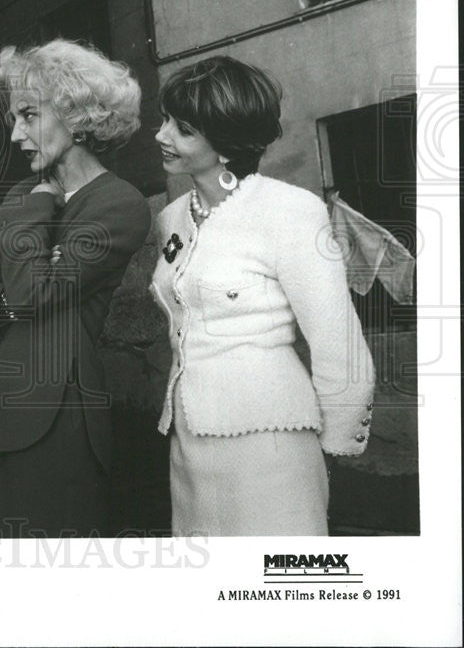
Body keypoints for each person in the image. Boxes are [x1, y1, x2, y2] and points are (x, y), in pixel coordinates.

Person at [150, 55, 375, 536]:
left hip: (270, 441)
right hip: (189, 440)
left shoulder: (289, 211)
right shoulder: (171, 219)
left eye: (182, 128)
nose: (162, 135)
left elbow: (338, 340)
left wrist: (333, 446)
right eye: (165, 120)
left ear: (226, 144)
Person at [0, 39, 151, 537]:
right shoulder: (22, 193)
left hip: (57, 414)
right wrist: (20, 284)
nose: (16, 134)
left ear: (75, 112)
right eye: (13, 119)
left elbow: (28, 296)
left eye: (28, 115)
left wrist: (39, 219)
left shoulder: (119, 203)